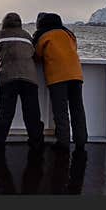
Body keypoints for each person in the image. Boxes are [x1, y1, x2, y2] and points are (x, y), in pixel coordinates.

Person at [0, 12, 45, 153]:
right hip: (29, 78)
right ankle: (37, 143)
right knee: (32, 113)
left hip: (8, 77)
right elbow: (33, 54)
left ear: (4, 23)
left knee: (6, 112)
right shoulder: (27, 36)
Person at [33, 12, 87, 153]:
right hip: (76, 74)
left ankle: (63, 142)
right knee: (77, 109)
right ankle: (81, 140)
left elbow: (37, 55)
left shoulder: (43, 35)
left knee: (61, 111)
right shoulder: (68, 34)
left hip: (57, 77)